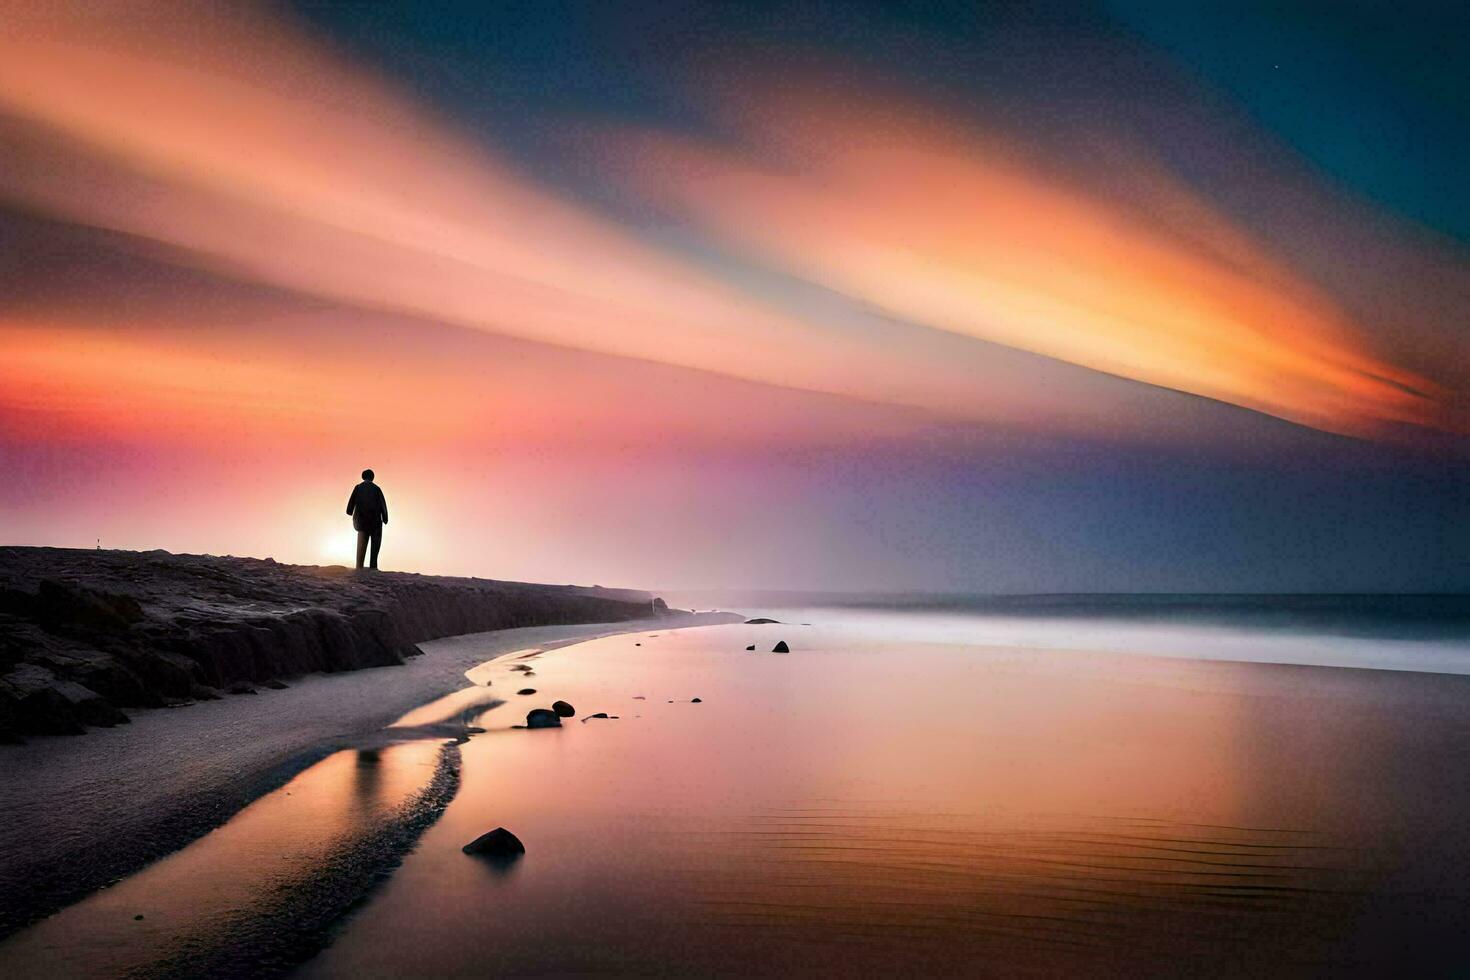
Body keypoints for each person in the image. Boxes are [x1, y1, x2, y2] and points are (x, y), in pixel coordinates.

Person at [346, 469, 388, 570]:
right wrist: (385, 518)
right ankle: (373, 567)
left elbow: (349, 508)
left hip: (361, 523)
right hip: (375, 523)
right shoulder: (377, 489)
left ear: (363, 476)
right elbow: (383, 504)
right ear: (372, 477)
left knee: (361, 547)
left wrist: (350, 511)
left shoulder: (358, 488)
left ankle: (359, 567)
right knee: (375, 547)